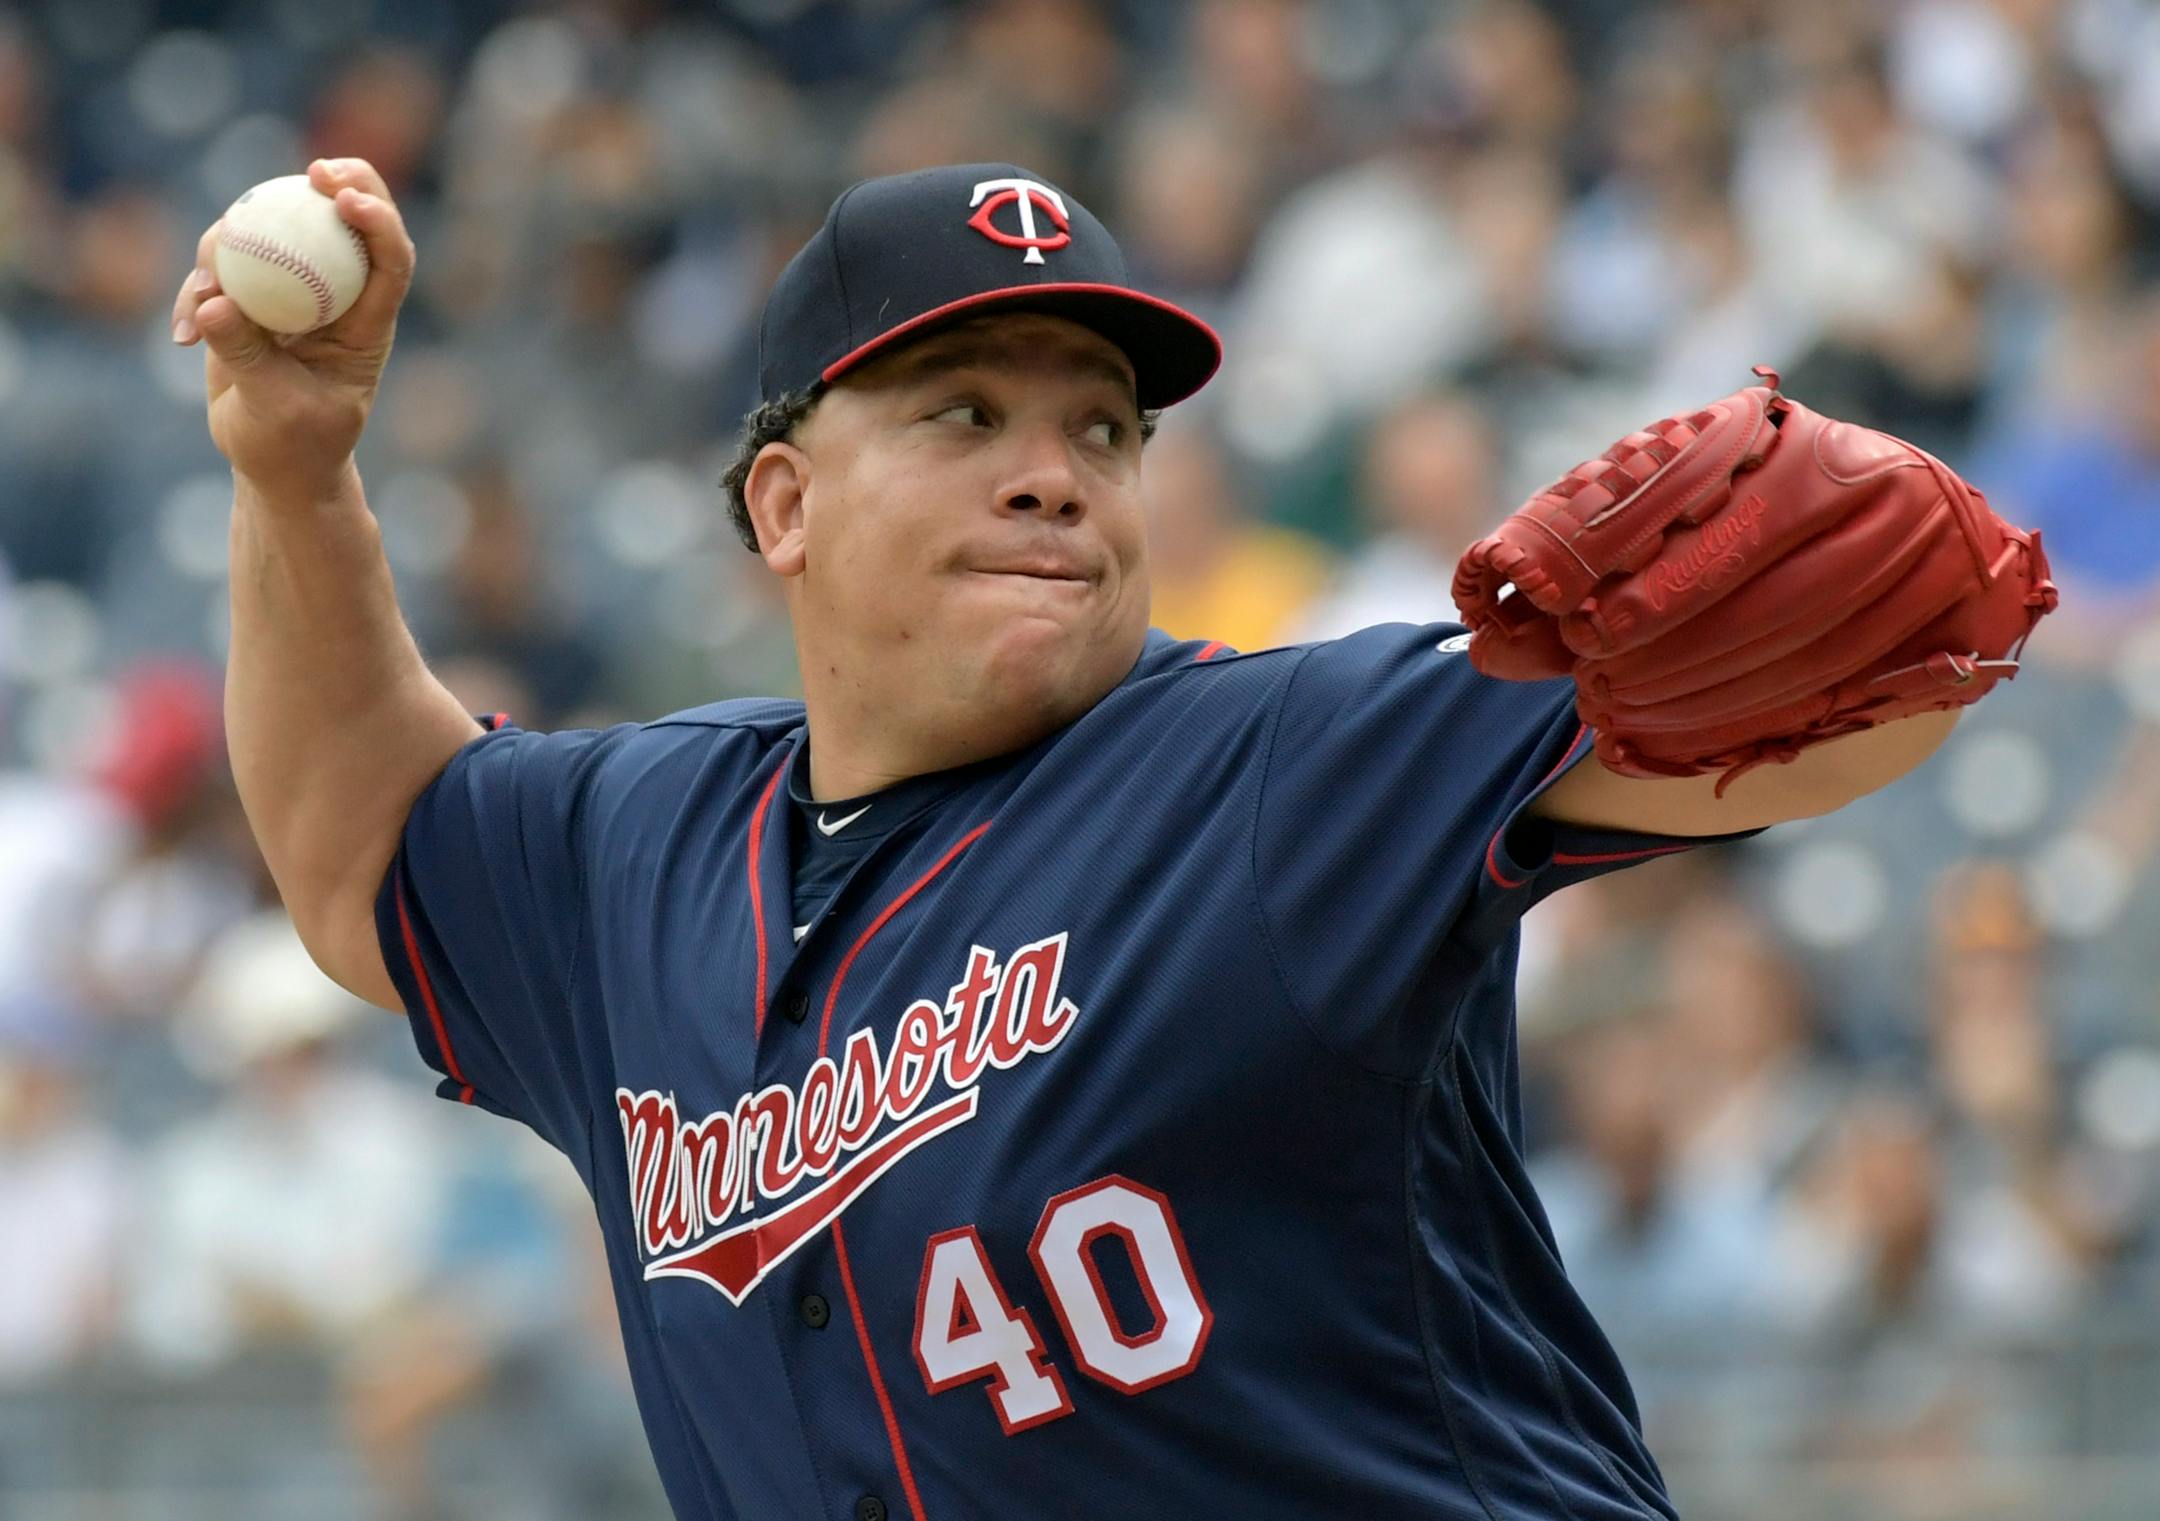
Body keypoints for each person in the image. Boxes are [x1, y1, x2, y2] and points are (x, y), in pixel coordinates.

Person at [174, 158, 1981, 1521]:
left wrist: (1885, 555)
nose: (1052, 470)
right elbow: (362, 847)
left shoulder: (1282, 766)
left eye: (1098, 429)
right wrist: (295, 474)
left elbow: (1839, 712)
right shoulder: (630, 848)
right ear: (785, 503)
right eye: (967, 414)